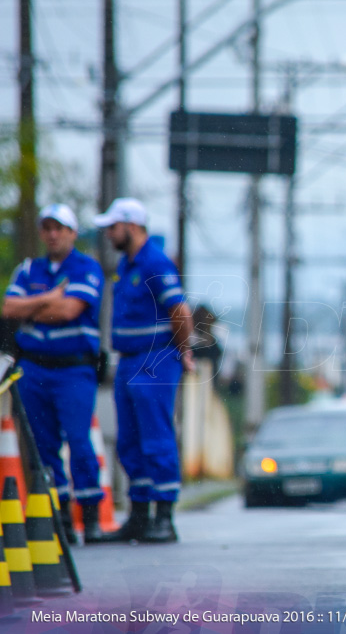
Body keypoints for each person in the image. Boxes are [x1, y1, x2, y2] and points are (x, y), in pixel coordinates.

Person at [2, 204, 106, 543]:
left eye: (60, 228)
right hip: (33, 367)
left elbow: (68, 310)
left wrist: (32, 306)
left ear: (73, 233)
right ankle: (57, 514)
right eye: (47, 228)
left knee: (78, 441)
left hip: (73, 369)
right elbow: (8, 308)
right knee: (42, 445)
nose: (53, 234)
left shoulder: (86, 267)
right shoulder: (30, 268)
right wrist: (47, 297)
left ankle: (89, 515)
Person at [94, 198, 194, 543]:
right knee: (130, 441)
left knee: (156, 437)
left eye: (113, 227)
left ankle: (164, 517)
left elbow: (180, 310)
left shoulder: (154, 262)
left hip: (155, 359)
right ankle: (139, 517)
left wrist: (184, 351)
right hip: (129, 359)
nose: (109, 234)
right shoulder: (128, 264)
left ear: (132, 226)